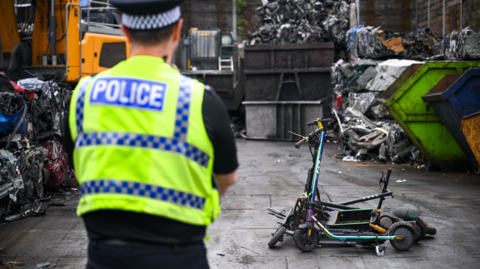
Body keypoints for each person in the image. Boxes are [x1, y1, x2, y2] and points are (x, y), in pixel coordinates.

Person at [63, 0, 238, 268]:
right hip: (180, 257)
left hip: (103, 257)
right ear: (177, 30)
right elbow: (226, 179)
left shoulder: (84, 96)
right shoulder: (200, 100)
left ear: (125, 30)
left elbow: (80, 172)